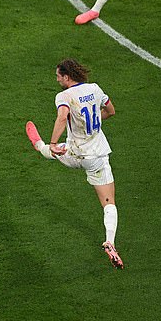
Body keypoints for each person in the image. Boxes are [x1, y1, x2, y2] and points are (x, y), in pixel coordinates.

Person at [25, 59, 124, 269]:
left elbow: (62, 117)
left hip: (74, 154)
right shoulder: (95, 89)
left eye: (58, 76)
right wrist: (94, 120)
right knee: (109, 203)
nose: (57, 79)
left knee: (53, 150)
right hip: (96, 157)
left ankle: (40, 146)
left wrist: (52, 143)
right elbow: (111, 111)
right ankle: (110, 242)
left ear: (66, 77)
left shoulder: (64, 96)